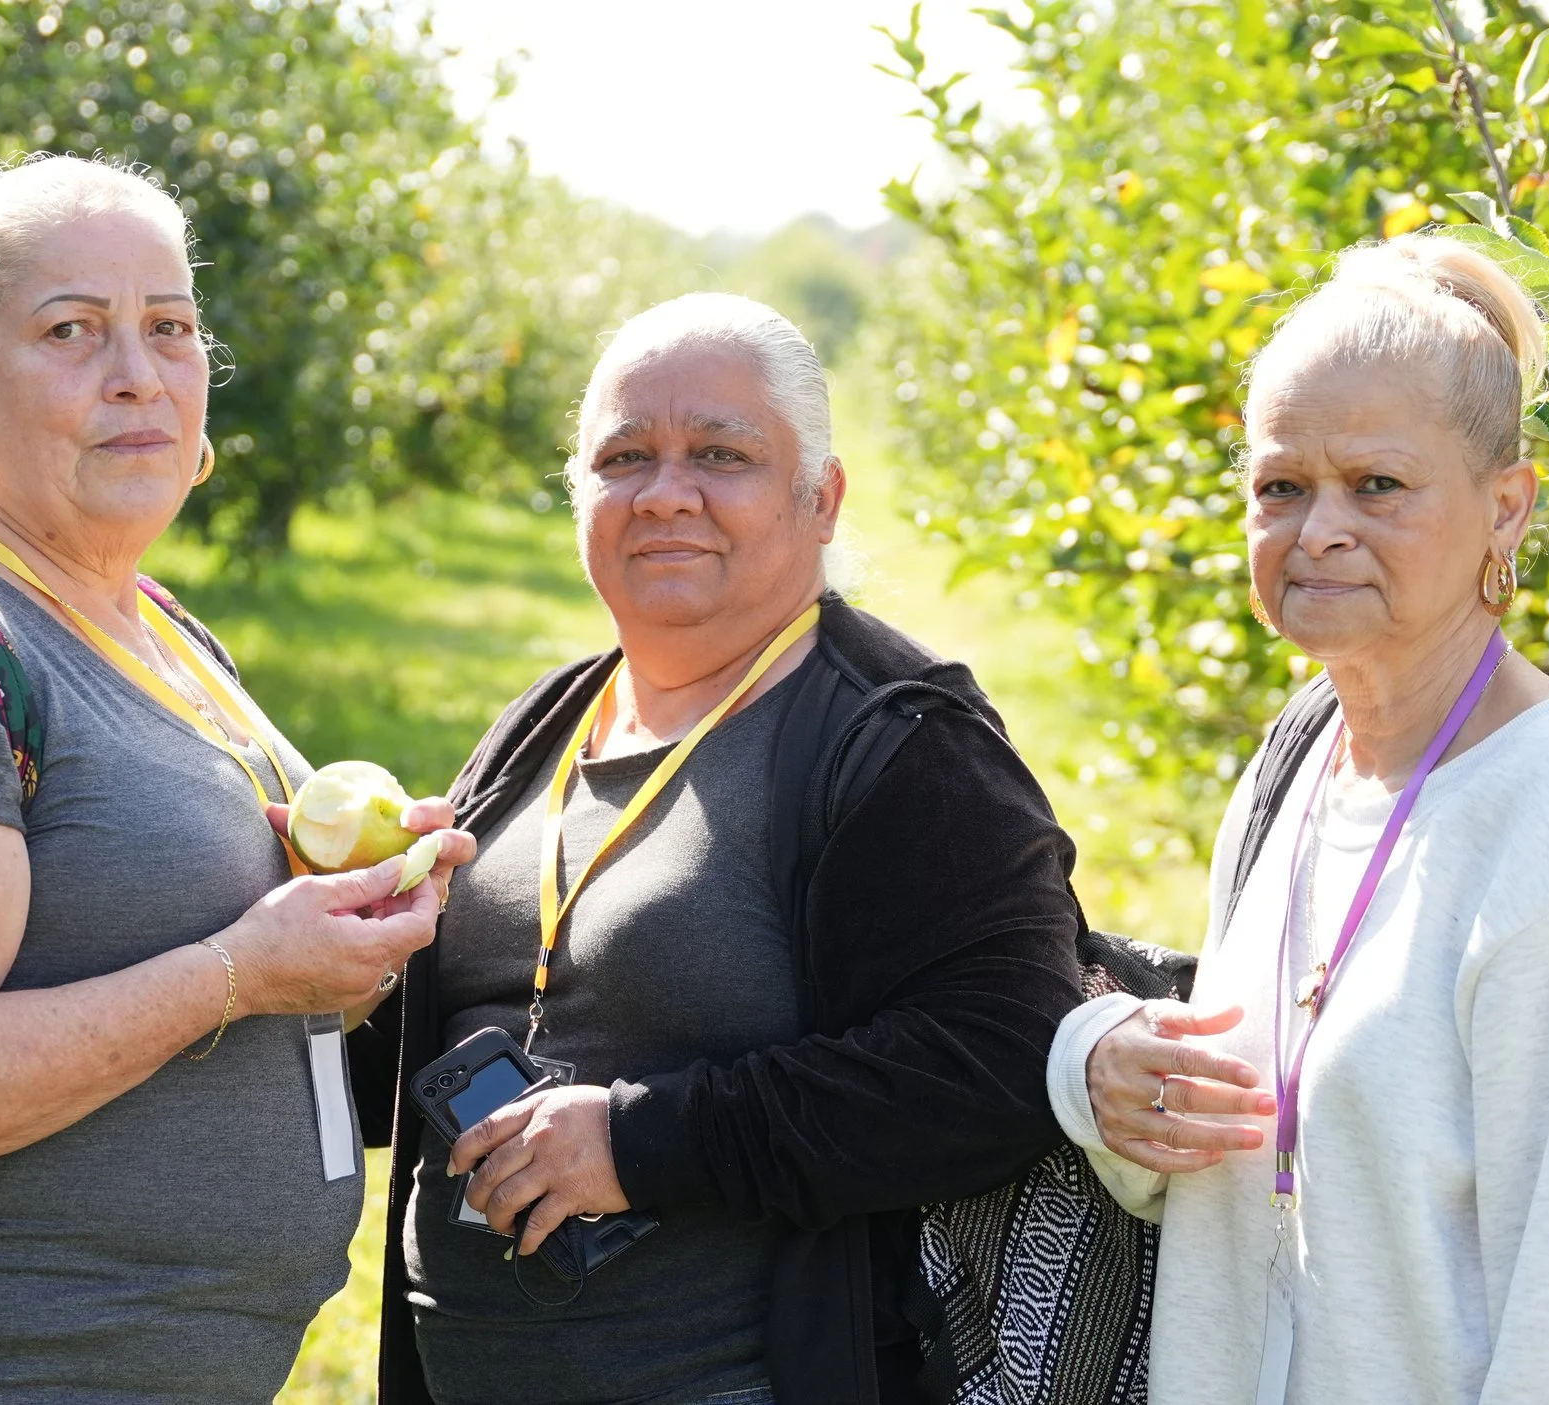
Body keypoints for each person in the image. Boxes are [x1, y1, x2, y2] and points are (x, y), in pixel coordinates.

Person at [0, 153, 471, 1403]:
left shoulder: (146, 621)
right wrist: (240, 971)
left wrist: (343, 940)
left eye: (168, 327)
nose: (138, 374)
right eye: (73, 330)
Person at [348, 293, 1086, 1405]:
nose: (665, 493)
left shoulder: (899, 741)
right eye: (624, 456)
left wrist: (641, 1142)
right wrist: (340, 965)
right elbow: (439, 1046)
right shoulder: (547, 721)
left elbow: (999, 1057)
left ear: (820, 498)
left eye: (721, 454)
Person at [1048, 235, 1549, 1403]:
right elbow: (1240, 1163)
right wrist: (1094, 1067)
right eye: (1281, 485)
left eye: (1376, 485)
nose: (1317, 528)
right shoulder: (1298, 760)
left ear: (1505, 510)